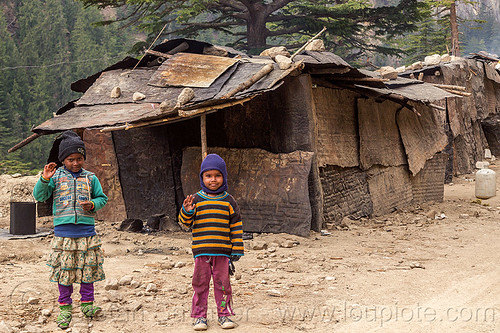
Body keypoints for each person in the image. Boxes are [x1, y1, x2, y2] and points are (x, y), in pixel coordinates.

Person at [33, 130, 108, 329]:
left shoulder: (90, 178)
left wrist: (92, 204)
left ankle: (87, 305)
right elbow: (40, 196)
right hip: (64, 235)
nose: (75, 163)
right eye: (70, 159)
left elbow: (102, 199)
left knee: (87, 271)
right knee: (65, 272)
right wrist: (44, 179)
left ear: (84, 158)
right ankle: (65, 308)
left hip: (86, 234)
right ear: (63, 160)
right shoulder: (55, 178)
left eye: (79, 158)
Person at [178, 153, 244, 331]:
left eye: (217, 175)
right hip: (201, 253)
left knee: (223, 285)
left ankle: (224, 315)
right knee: (200, 284)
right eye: (208, 176)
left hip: (223, 253)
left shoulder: (229, 201)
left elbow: (236, 227)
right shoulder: (196, 200)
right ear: (202, 177)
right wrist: (187, 210)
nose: (213, 180)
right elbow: (185, 223)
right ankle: (200, 317)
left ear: (224, 177)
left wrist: (236, 249)